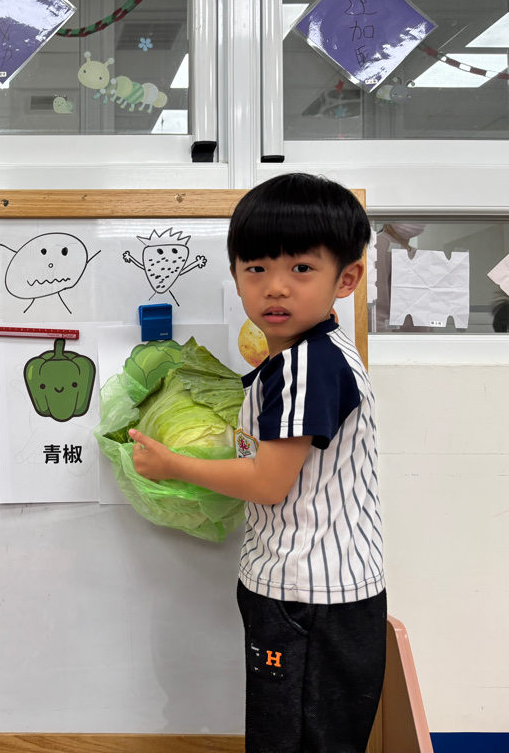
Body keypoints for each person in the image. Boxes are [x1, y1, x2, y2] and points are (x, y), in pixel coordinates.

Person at [128, 173, 386, 752]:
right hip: (317, 594)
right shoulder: (308, 356)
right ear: (236, 276)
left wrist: (174, 465)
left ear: (346, 279)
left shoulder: (305, 365)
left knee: (289, 741)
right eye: (256, 268)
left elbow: (268, 482)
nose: (276, 287)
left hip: (306, 597)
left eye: (301, 268)